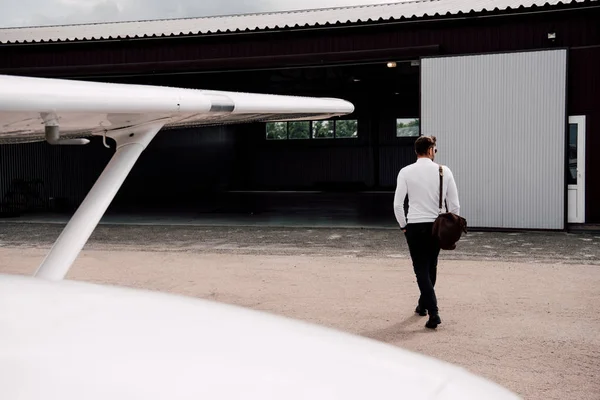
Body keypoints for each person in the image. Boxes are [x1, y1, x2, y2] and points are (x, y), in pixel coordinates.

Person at [393, 135, 460, 329]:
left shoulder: (405, 172)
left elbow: (398, 204)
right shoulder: (444, 171)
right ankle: (426, 307)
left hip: (414, 226)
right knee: (431, 268)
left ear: (417, 150)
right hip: (436, 227)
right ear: (431, 150)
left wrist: (403, 225)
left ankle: (432, 311)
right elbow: (454, 205)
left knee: (421, 270)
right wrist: (451, 228)